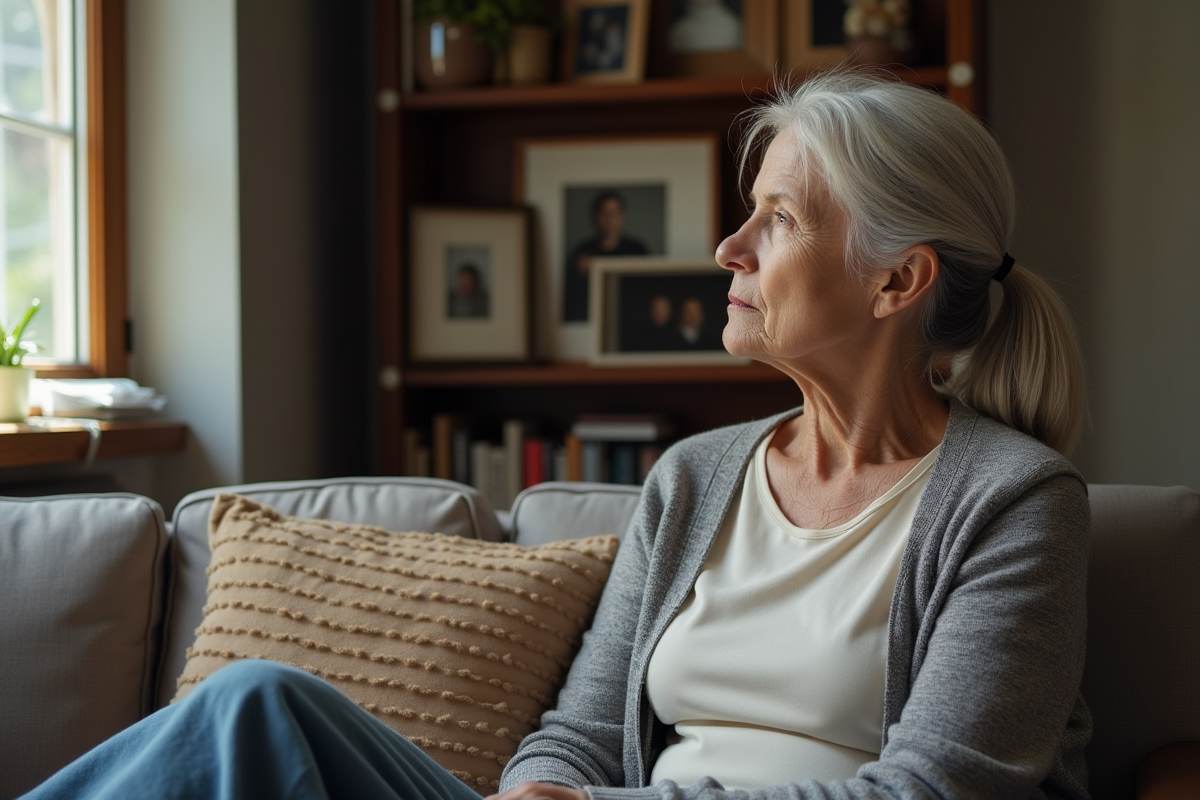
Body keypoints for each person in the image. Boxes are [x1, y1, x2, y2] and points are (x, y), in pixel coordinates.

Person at [22, 69, 1092, 800]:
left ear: (897, 279)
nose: (729, 245)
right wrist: (542, 782)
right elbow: (579, 730)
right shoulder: (698, 476)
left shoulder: (1010, 500)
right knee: (261, 704)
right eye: (747, 212)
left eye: (781, 218)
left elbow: (935, 789)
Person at [564, 190, 648, 322]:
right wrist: (580, 274)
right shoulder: (583, 251)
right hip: (593, 317)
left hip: (629, 317)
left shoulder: (637, 250)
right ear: (596, 216)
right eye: (604, 213)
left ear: (622, 216)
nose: (609, 219)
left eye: (614, 213)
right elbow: (571, 297)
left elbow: (646, 290)